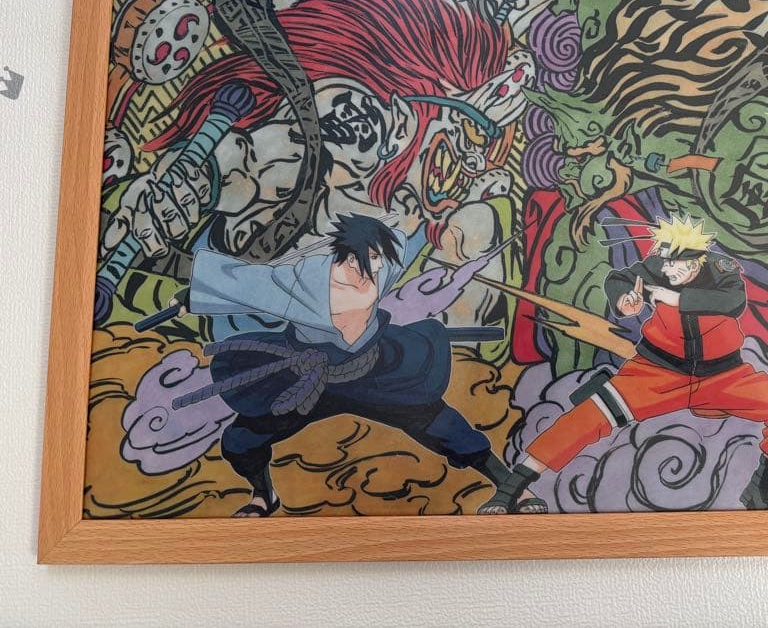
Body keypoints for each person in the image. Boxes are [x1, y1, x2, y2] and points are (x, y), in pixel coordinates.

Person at [172, 213, 547, 516]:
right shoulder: (302, 279)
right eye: (367, 259)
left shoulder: (379, 268)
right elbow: (248, 283)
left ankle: (511, 486)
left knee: (442, 423)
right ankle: (262, 495)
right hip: (307, 377)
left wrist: (412, 224)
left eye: (378, 260)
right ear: (348, 257)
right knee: (242, 439)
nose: (374, 269)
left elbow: (401, 241)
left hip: (371, 370)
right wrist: (192, 297)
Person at [479, 215, 768, 513]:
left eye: (674, 265)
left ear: (696, 261)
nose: (666, 271)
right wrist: (625, 300)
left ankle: (759, 488)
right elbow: (619, 279)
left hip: (725, 375)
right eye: (664, 263)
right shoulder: (657, 266)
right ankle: (511, 488)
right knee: (588, 416)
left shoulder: (722, 271)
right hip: (656, 372)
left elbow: (734, 301)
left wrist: (678, 299)